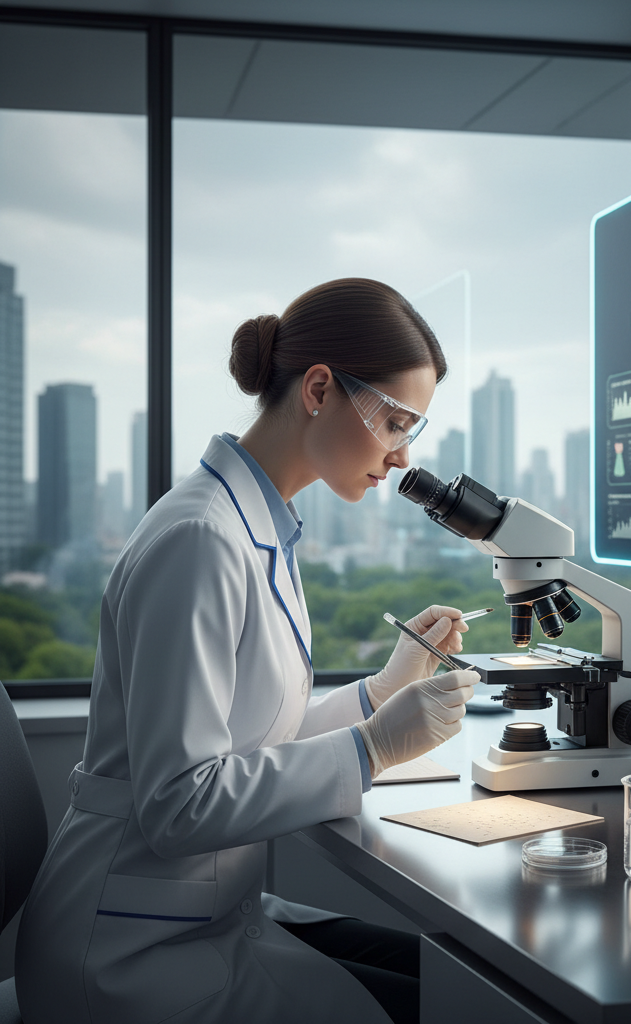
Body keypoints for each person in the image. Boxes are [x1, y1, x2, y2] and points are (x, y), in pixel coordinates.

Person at [15, 279, 479, 1024]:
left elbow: (255, 740)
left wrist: (385, 690)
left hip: (198, 916)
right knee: (447, 1007)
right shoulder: (201, 539)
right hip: (126, 956)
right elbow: (180, 804)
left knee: (449, 980)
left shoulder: (261, 522)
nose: (399, 458)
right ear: (320, 389)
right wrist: (370, 750)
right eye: (394, 422)